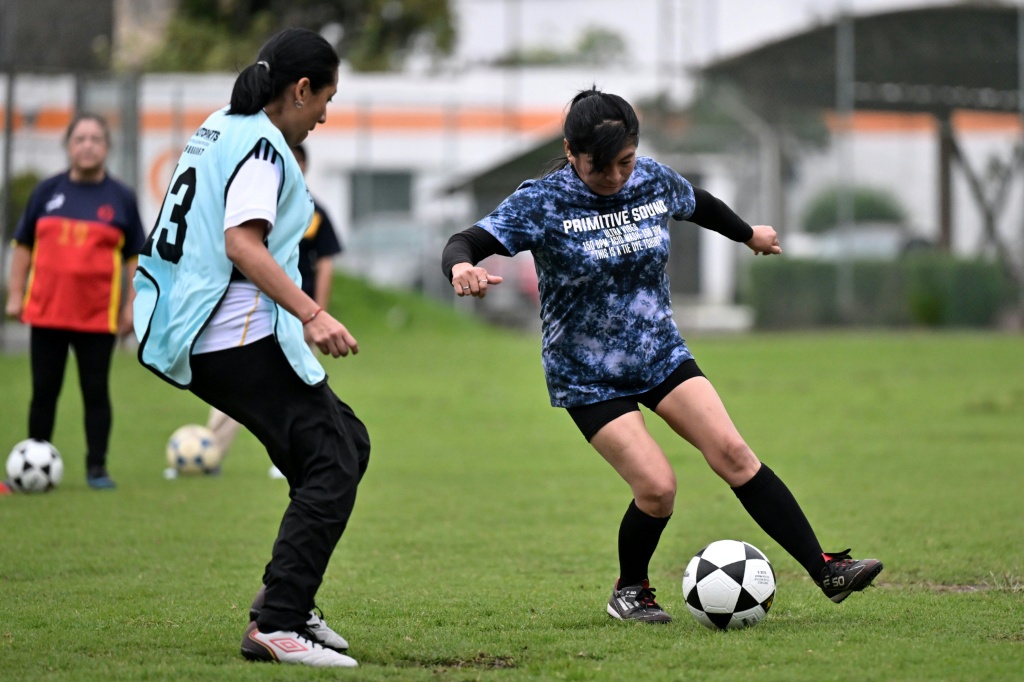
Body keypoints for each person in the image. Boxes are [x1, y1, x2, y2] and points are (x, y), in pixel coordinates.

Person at [441, 87, 883, 623]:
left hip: (659, 354)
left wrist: (749, 235)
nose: (615, 177)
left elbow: (699, 204)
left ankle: (825, 570)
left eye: (624, 161)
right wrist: (460, 268)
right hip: (589, 375)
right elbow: (465, 240)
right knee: (657, 488)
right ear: (570, 151)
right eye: (599, 167)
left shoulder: (651, 178)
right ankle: (630, 591)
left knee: (734, 454)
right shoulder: (542, 201)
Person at [133, 28, 369, 667]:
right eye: (326, 97)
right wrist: (312, 312)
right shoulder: (264, 148)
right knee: (331, 462)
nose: (326, 113)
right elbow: (242, 244)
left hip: (195, 325)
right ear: (299, 90)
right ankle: (279, 621)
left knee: (348, 444)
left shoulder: (221, 124)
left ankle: (289, 595)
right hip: (225, 332)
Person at [4, 112, 145, 490]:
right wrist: (15, 295)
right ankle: (35, 461)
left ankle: (97, 468)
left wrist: (131, 306)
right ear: (68, 146)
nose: (87, 145)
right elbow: (23, 247)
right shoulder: (46, 191)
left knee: (96, 392)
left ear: (106, 147)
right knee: (43, 392)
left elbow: (135, 258)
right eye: (80, 138)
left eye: (95, 139)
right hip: (47, 312)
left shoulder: (121, 198)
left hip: (97, 317)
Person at [202, 141, 344, 477]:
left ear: (304, 168)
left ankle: (294, 457)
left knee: (299, 384)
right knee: (234, 383)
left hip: (298, 312)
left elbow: (325, 264)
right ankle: (207, 455)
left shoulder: (314, 212)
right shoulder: (249, 207)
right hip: (252, 311)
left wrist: (317, 313)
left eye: (296, 162)